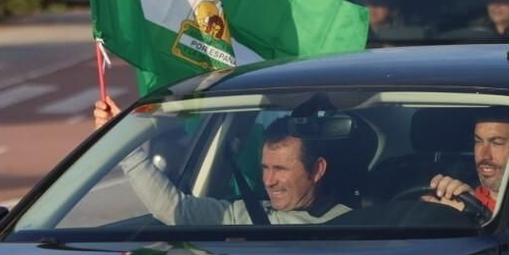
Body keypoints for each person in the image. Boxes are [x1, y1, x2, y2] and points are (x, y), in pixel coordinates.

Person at [92, 96, 349, 225]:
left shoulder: (352, 224)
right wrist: (123, 142)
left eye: (280, 169)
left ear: (317, 170)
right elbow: (172, 209)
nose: (269, 181)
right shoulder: (244, 215)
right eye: (265, 168)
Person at [424, 105, 509, 213]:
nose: (484, 155)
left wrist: (472, 213)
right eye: (478, 141)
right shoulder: (465, 195)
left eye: (496, 143)